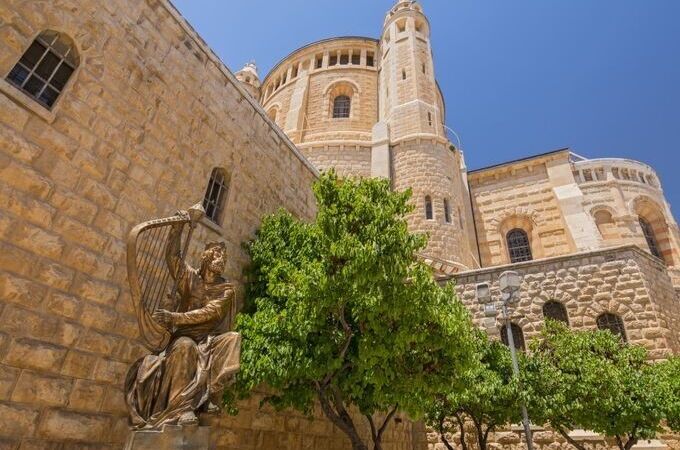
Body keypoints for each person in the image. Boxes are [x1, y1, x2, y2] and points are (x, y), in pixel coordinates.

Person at [125, 217, 241, 429]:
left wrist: (174, 317)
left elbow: (211, 312)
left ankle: (210, 393)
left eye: (223, 256)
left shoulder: (226, 289)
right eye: (217, 254)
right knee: (186, 346)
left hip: (208, 340)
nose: (221, 258)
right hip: (184, 337)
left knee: (233, 338)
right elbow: (172, 257)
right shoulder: (190, 278)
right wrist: (177, 228)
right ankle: (182, 408)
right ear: (206, 257)